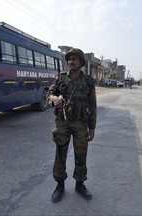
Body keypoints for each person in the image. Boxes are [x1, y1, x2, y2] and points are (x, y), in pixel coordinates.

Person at [47, 48, 97, 202]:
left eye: (74, 59)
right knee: (60, 153)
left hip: (81, 124)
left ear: (81, 62)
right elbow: (49, 94)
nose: (71, 61)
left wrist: (92, 128)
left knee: (81, 154)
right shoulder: (61, 78)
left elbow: (92, 105)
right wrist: (54, 99)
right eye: (69, 59)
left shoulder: (88, 82)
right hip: (63, 122)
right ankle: (59, 185)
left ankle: (80, 184)